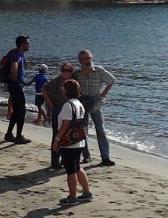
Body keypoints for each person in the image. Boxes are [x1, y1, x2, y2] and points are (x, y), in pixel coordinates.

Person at [75, 50, 118, 167]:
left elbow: (112, 80)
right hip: (82, 102)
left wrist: (103, 93)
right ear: (80, 61)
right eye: (84, 59)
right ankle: (86, 156)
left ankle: (105, 157)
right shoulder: (77, 73)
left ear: (91, 58)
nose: (86, 61)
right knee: (83, 130)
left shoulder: (99, 70)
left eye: (88, 58)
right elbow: (72, 85)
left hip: (96, 101)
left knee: (101, 129)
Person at [55, 78, 93, 206]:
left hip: (69, 142)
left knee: (70, 170)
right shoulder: (79, 103)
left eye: (63, 88)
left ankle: (72, 196)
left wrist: (57, 139)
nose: (62, 90)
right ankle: (87, 192)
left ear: (67, 90)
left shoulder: (68, 105)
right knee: (77, 167)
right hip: (79, 141)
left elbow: (65, 125)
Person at [0, 34, 32, 144]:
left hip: (11, 85)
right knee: (21, 111)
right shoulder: (18, 54)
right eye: (27, 43)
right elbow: (14, 65)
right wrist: (16, 80)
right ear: (22, 44)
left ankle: (9, 134)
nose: (29, 45)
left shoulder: (12, 51)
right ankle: (19, 136)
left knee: (16, 111)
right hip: (16, 86)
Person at [44, 61, 75, 170]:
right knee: (57, 135)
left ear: (71, 72)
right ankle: (55, 161)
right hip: (58, 110)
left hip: (70, 110)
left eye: (68, 71)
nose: (65, 73)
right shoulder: (56, 81)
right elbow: (44, 89)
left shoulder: (73, 81)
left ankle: (64, 159)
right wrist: (50, 103)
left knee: (68, 135)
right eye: (63, 70)